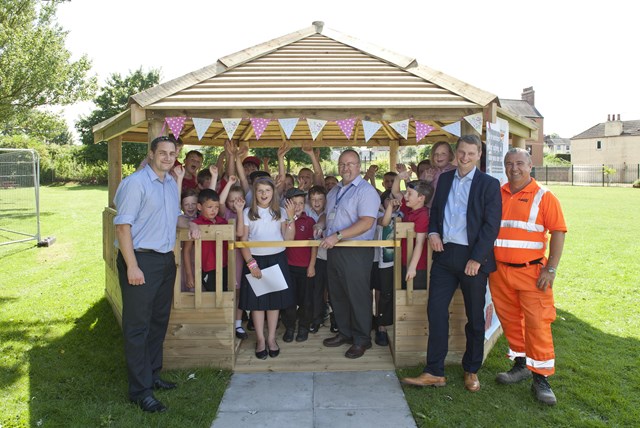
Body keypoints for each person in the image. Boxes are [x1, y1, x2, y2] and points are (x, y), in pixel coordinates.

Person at [401, 135, 501, 392]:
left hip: (473, 259)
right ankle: (435, 371)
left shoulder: (489, 184)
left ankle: (471, 369)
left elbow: (491, 226)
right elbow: (435, 212)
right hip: (444, 255)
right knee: (435, 311)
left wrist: (477, 258)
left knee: (475, 318)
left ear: (479, 154)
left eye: (470, 153)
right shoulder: (444, 179)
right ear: (456, 154)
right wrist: (433, 233)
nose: (465, 158)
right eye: (462, 153)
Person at [114, 135, 200, 413]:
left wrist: (191, 223)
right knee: (137, 326)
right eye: (161, 152)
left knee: (158, 321)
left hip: (164, 261)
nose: (167, 157)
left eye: (171, 153)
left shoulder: (168, 185)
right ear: (151, 154)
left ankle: (152, 375)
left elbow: (174, 216)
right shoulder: (135, 184)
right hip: (140, 260)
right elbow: (122, 227)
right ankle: (140, 391)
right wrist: (132, 265)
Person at [490, 148, 567, 405]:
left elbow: (558, 231)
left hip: (533, 273)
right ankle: (521, 365)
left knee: (537, 324)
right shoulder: (497, 193)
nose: (514, 168)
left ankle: (541, 378)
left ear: (530, 165)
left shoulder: (545, 196)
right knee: (511, 321)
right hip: (500, 272)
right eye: (509, 163)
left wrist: (551, 268)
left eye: (520, 163)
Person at [317, 149, 380, 359]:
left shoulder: (366, 191)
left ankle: (362, 339)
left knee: (358, 295)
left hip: (356, 250)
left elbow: (366, 222)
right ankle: (344, 332)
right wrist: (320, 223)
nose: (346, 168)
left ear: (359, 166)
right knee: (338, 294)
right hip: (335, 249)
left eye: (351, 163)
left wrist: (338, 235)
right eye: (342, 164)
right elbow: (328, 213)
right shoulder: (334, 190)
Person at [236, 177, 296, 360]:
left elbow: (289, 239)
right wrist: (251, 263)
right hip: (255, 260)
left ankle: (271, 339)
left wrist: (291, 216)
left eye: (267, 191)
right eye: (260, 191)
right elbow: (242, 239)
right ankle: (260, 340)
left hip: (276, 259)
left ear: (273, 193)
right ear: (255, 193)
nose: (264, 194)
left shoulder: (281, 212)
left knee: (274, 303)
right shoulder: (247, 212)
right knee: (257, 304)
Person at [282, 188, 317, 343]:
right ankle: (289, 327)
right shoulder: (283, 221)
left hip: (305, 268)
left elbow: (314, 246)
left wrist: (312, 265)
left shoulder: (309, 222)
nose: (297, 206)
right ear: (286, 204)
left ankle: (303, 326)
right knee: (289, 301)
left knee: (306, 301)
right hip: (288, 267)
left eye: (301, 203)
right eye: (294, 203)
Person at [218, 176, 250, 340]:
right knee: (227, 289)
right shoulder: (226, 213)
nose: (234, 203)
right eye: (232, 200)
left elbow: (240, 233)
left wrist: (240, 211)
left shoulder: (245, 213)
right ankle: (226, 321)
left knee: (239, 292)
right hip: (226, 256)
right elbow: (220, 202)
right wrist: (229, 183)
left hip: (240, 257)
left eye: (238, 200)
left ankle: (237, 323)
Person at [182, 189, 229, 292]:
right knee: (211, 296)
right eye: (210, 207)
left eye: (216, 207)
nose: (214, 210)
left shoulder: (223, 222)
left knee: (225, 294)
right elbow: (186, 251)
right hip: (207, 269)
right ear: (199, 207)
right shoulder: (195, 224)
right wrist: (189, 275)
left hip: (225, 266)